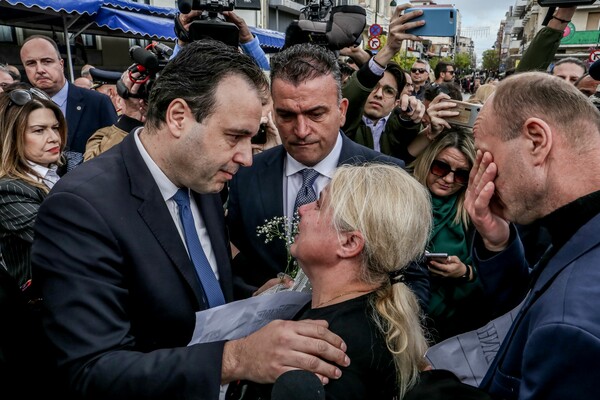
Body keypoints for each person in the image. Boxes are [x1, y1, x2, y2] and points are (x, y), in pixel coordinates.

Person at [31, 39, 349, 399]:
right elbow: (91, 371)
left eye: (253, 137)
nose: (247, 157)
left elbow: (192, 290)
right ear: (179, 117)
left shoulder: (201, 176)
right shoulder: (80, 208)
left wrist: (252, 302)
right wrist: (235, 359)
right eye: (234, 136)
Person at [226, 42, 429, 306]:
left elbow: (412, 280)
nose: (301, 130)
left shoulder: (386, 175)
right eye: (286, 115)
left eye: (316, 114)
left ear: (342, 111)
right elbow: (233, 264)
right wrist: (254, 297)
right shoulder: (247, 174)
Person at [228, 163, 432, 399]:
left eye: (318, 205)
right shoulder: (369, 314)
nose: (302, 209)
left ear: (349, 243)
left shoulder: (331, 349)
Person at [466, 71, 600, 399]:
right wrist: (498, 243)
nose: (481, 176)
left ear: (536, 141)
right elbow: (532, 306)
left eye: (485, 155)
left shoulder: (570, 327)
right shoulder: (578, 228)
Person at [408, 129, 489, 342]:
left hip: (443, 328)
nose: (449, 179)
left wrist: (464, 272)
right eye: (441, 167)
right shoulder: (399, 196)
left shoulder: (474, 213)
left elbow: (492, 275)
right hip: (390, 311)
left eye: (461, 174)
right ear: (428, 160)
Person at [0, 85, 66, 288]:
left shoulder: (62, 170)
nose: (53, 137)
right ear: (12, 136)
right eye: (39, 130)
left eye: (55, 127)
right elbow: (65, 238)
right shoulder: (8, 189)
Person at [342, 5, 426, 163]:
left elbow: (405, 131)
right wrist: (389, 49)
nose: (379, 95)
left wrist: (409, 118)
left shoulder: (398, 127)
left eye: (388, 91)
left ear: (396, 101)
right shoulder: (345, 123)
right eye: (373, 87)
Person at [20, 35, 117, 168]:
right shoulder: (21, 107)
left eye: (47, 61)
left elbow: (115, 149)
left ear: (61, 64)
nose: (40, 70)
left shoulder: (97, 102)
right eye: (31, 63)